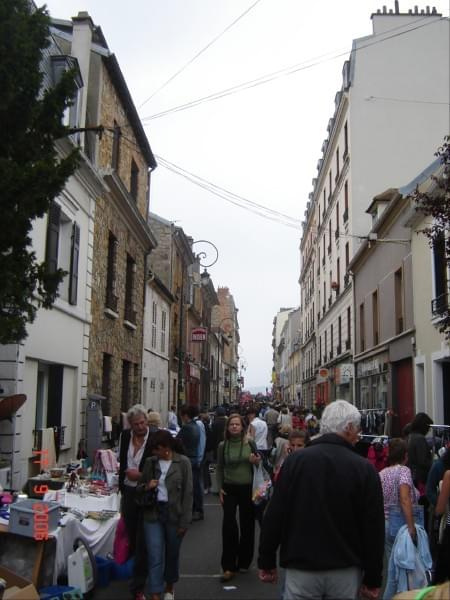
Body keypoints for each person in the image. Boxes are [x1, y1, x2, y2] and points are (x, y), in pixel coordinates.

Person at [258, 400, 385, 600]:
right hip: (345, 569)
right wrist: (373, 577)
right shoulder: (364, 468)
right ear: (349, 428)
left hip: (301, 566)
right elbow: (373, 526)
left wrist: (266, 560)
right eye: (357, 429)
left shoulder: (295, 462)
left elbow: (276, 513)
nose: (359, 434)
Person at [137, 429, 193, 600]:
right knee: (154, 554)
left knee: (172, 553)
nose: (154, 452)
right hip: (153, 513)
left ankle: (169, 587)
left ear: (166, 447)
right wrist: (147, 486)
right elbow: (139, 489)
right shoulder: (150, 463)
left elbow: (188, 493)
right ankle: (155, 592)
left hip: (174, 514)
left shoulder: (183, 463)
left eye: (157, 448)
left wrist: (185, 522)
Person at [118, 404, 157, 600]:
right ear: (131, 425)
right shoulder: (125, 436)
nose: (141, 427)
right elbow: (122, 461)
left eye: (143, 423)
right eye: (136, 424)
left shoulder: (155, 438)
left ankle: (138, 584)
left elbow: (159, 472)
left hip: (146, 493)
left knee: (143, 537)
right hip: (128, 492)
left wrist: (140, 476)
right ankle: (138, 569)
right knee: (132, 534)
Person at [216, 413, 261, 582]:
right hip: (229, 488)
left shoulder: (250, 443)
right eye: (231, 424)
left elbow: (260, 463)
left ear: (242, 427)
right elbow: (219, 467)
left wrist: (255, 461)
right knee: (228, 524)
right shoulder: (223, 445)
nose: (234, 427)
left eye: (237, 424)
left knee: (247, 524)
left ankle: (244, 560)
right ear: (227, 428)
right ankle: (228, 565)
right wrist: (219, 487)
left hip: (247, 488)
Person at [379, 438, 420, 564]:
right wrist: (411, 527)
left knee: (391, 563)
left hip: (385, 523)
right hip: (402, 523)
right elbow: (404, 498)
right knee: (408, 564)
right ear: (405, 455)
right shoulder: (403, 471)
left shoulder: (381, 474)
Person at [176, 405, 201, 520]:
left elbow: (176, 441)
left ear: (185, 416)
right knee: (195, 485)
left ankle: (194, 510)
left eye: (181, 415)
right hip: (194, 457)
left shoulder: (187, 428)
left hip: (188, 459)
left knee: (189, 487)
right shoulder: (195, 426)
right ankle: (198, 509)